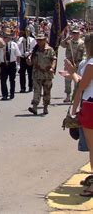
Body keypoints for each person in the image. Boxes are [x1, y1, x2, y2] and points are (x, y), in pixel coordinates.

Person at [64, 32, 93, 197]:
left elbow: (82, 85)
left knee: (92, 147)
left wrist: (72, 72)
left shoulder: (91, 63)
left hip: (90, 105)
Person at [27, 33, 56, 115]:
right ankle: (34, 108)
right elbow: (30, 62)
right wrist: (28, 60)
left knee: (47, 92)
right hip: (37, 74)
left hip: (47, 74)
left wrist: (52, 68)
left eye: (41, 40)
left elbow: (54, 59)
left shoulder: (50, 49)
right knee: (37, 91)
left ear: (45, 40)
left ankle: (45, 107)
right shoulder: (34, 50)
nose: (39, 41)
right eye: (38, 40)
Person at [61, 27, 85, 103]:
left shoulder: (82, 43)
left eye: (76, 33)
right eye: (73, 33)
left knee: (77, 81)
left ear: (79, 34)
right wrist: (67, 38)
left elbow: (84, 54)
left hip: (78, 64)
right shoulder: (69, 42)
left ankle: (75, 97)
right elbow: (61, 44)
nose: (75, 35)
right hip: (69, 64)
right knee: (67, 81)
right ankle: (68, 96)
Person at [0, 29, 21, 100]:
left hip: (12, 64)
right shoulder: (0, 45)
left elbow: (18, 55)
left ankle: (12, 93)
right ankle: (4, 94)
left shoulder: (14, 44)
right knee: (3, 80)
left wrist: (18, 65)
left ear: (10, 37)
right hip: (3, 64)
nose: (5, 38)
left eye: (7, 37)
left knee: (12, 80)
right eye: (4, 37)